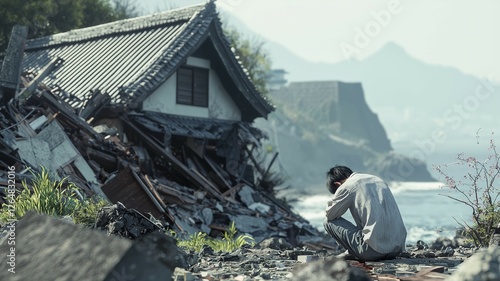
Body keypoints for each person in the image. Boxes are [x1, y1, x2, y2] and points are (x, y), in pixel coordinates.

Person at [324, 165, 406, 261]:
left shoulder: (348, 186)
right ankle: (356, 250)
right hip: (396, 250)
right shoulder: (377, 180)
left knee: (328, 221)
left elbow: (330, 214)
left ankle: (353, 251)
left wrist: (337, 196)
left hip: (373, 251)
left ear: (338, 184)